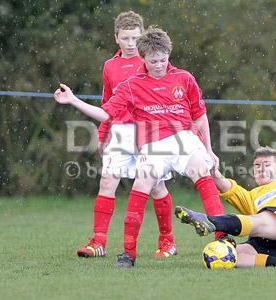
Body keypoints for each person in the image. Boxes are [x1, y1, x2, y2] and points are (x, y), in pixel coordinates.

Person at [53, 27, 226, 268]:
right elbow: (105, 114)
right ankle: (128, 254)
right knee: (142, 183)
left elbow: (200, 116)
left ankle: (223, 240)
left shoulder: (184, 78)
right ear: (142, 59)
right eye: (153, 61)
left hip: (185, 137)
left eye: (163, 60)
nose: (159, 65)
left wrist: (209, 150)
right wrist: (73, 100)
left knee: (201, 170)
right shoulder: (131, 85)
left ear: (169, 55)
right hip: (153, 144)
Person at [76, 11, 177, 259]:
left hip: (151, 131)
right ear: (116, 39)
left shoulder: (152, 62)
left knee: (156, 186)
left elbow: (171, 90)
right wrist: (102, 134)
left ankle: (167, 242)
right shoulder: (110, 66)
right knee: (107, 181)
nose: (131, 43)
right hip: (120, 132)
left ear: (142, 37)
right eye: (126, 38)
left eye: (135, 38)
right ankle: (98, 242)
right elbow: (106, 102)